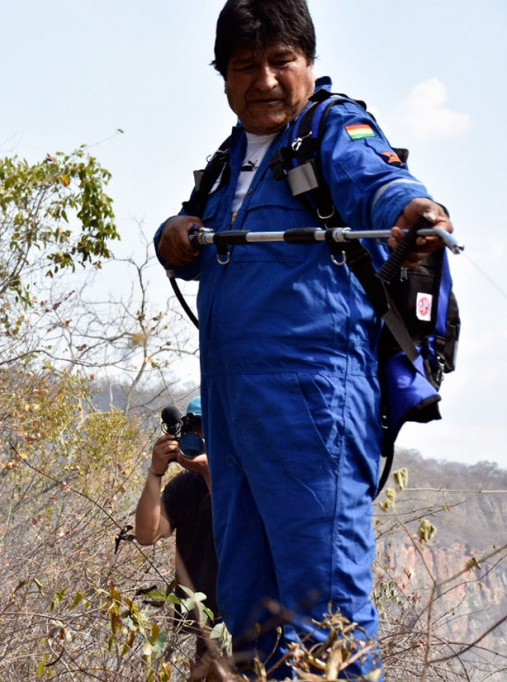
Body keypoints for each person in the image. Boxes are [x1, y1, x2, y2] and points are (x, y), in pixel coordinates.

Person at [153, 0, 453, 678]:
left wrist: (416, 212)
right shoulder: (230, 159)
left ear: (308, 64)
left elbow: (385, 185)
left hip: (314, 402)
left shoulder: (333, 129)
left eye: (280, 61)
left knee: (325, 605)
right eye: (245, 65)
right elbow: (189, 242)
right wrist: (174, 232)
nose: (264, 79)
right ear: (223, 76)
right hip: (231, 410)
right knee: (248, 609)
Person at [135, 397, 219, 661]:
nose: (198, 441)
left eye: (206, 433)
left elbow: (232, 522)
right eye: (192, 433)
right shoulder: (184, 486)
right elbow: (147, 534)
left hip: (240, 618)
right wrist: (155, 472)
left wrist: (209, 472)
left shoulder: (245, 480)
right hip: (198, 622)